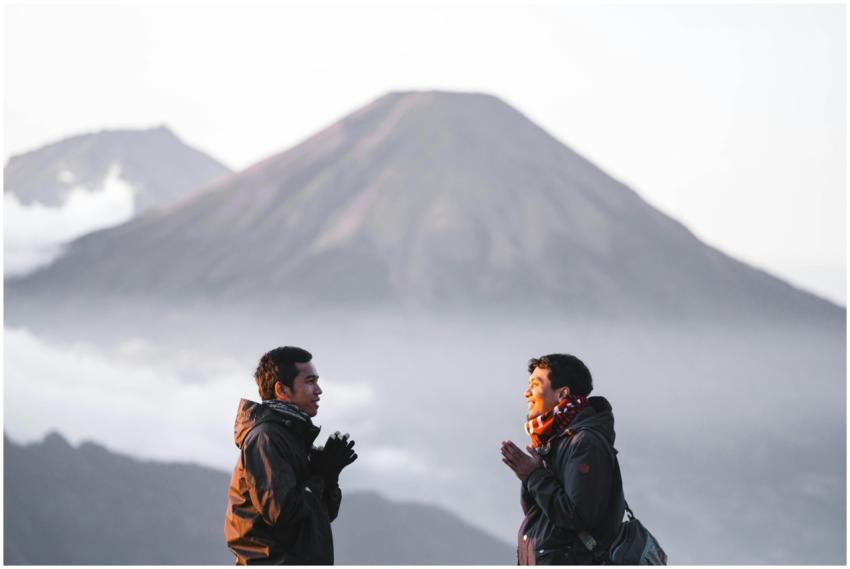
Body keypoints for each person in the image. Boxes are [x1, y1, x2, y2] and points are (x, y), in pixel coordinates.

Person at [225, 346, 357, 565]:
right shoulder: (266, 437)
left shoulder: (292, 437)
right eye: (310, 381)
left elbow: (321, 517)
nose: (319, 390)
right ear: (282, 390)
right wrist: (318, 477)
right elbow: (282, 512)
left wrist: (330, 476)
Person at [500, 353, 625, 565]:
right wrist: (531, 475)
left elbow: (579, 516)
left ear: (562, 393)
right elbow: (545, 515)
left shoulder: (585, 443)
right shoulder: (555, 441)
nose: (526, 393)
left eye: (535, 384)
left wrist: (533, 475)